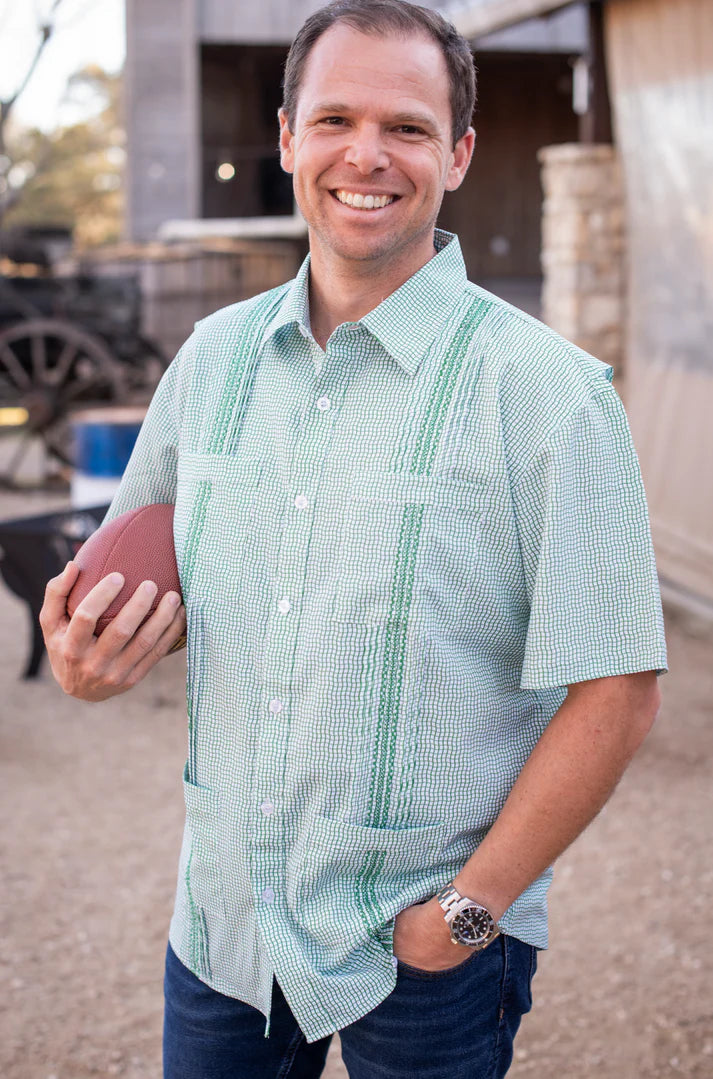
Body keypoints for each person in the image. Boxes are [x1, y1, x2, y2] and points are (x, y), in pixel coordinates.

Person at [40, 2, 667, 1076]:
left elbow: (616, 685)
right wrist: (82, 657)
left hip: (423, 949)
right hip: (224, 924)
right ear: (287, 138)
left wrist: (466, 914)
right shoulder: (209, 360)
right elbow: (131, 591)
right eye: (332, 118)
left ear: (457, 153)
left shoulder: (549, 395)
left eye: (408, 127)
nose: (364, 155)